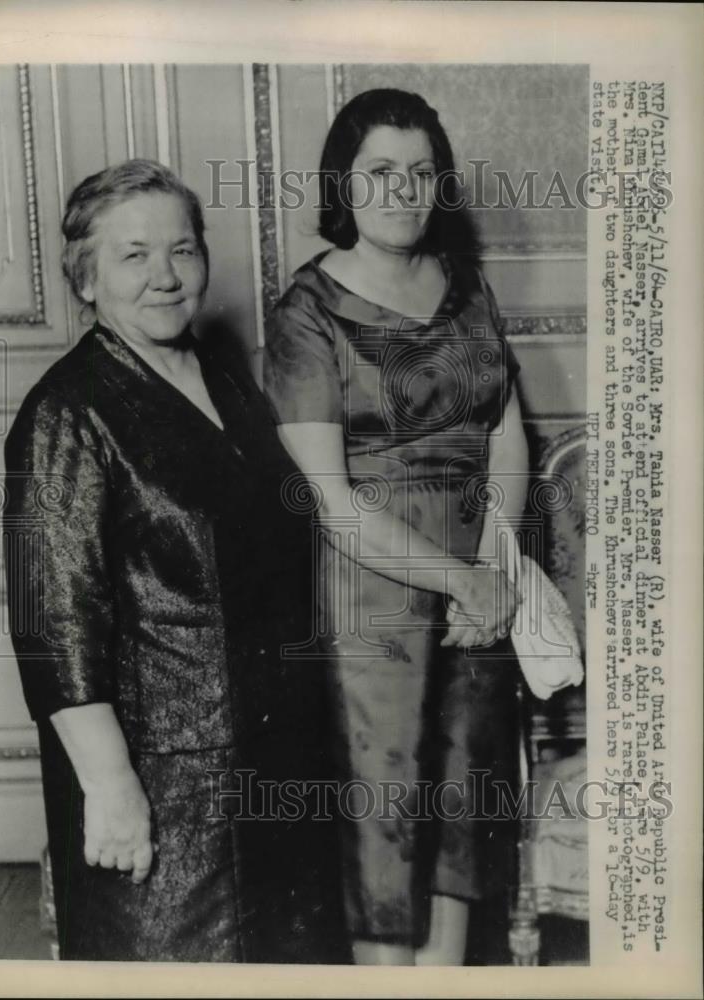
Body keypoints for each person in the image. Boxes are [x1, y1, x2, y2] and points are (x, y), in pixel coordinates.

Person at [3, 159, 349, 963]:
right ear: (85, 278)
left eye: (182, 249)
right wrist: (110, 786)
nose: (165, 275)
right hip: (164, 786)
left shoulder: (226, 383)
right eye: (134, 255)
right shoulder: (65, 412)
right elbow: (53, 627)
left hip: (274, 765)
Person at [264, 89, 529, 965]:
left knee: (462, 799)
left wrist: (495, 570)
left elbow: (504, 436)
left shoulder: (468, 287)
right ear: (342, 182)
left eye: (420, 172)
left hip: (479, 586)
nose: (403, 190)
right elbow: (331, 501)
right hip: (369, 598)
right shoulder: (305, 309)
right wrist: (464, 582)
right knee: (383, 810)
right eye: (380, 171)